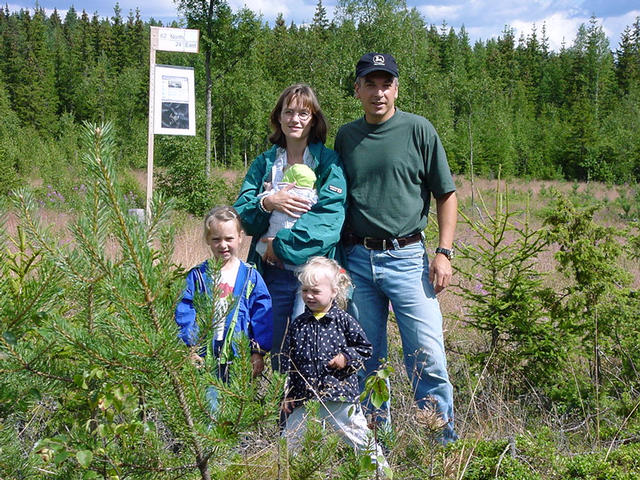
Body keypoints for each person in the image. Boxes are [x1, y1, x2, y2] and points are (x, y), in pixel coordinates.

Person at [334, 53, 459, 444]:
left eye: (386, 84)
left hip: (408, 260)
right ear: (357, 90)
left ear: (396, 88)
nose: (378, 92)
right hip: (356, 260)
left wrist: (444, 252)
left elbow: (446, 194)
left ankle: (439, 445)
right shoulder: (346, 137)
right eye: (369, 84)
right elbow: (337, 201)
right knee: (367, 360)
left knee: (428, 356)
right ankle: (377, 448)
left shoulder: (419, 130)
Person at [234, 84, 347, 372]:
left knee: (309, 351)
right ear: (279, 118)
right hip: (272, 274)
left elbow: (329, 221)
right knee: (275, 353)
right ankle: (280, 413)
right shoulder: (265, 163)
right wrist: (268, 202)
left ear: (314, 120)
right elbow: (243, 216)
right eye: (289, 112)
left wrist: (278, 245)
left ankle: (310, 414)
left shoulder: (328, 163)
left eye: (303, 113)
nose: (295, 119)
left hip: (313, 276)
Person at [281, 257, 388, 473]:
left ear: (334, 291)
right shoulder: (298, 325)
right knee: (288, 444)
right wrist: (289, 393)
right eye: (305, 290)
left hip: (339, 397)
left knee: (360, 439)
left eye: (315, 291)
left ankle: (382, 473)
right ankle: (283, 473)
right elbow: (288, 360)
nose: (309, 296)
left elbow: (364, 347)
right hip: (306, 398)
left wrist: (346, 357)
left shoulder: (343, 320)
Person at [175, 206, 273, 411]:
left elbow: (262, 314)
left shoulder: (250, 276)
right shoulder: (198, 276)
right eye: (216, 239)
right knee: (209, 408)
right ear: (207, 240)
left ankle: (237, 444)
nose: (223, 245)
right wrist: (191, 345)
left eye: (229, 238)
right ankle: (211, 444)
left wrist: (258, 352)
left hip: (239, 354)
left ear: (240, 237)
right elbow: (185, 310)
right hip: (205, 355)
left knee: (237, 409)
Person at [255, 163, 318, 257]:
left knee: (260, 247)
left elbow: (262, 198)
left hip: (273, 235)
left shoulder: (280, 191)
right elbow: (317, 204)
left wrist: (267, 190)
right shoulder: (310, 197)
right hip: (293, 241)